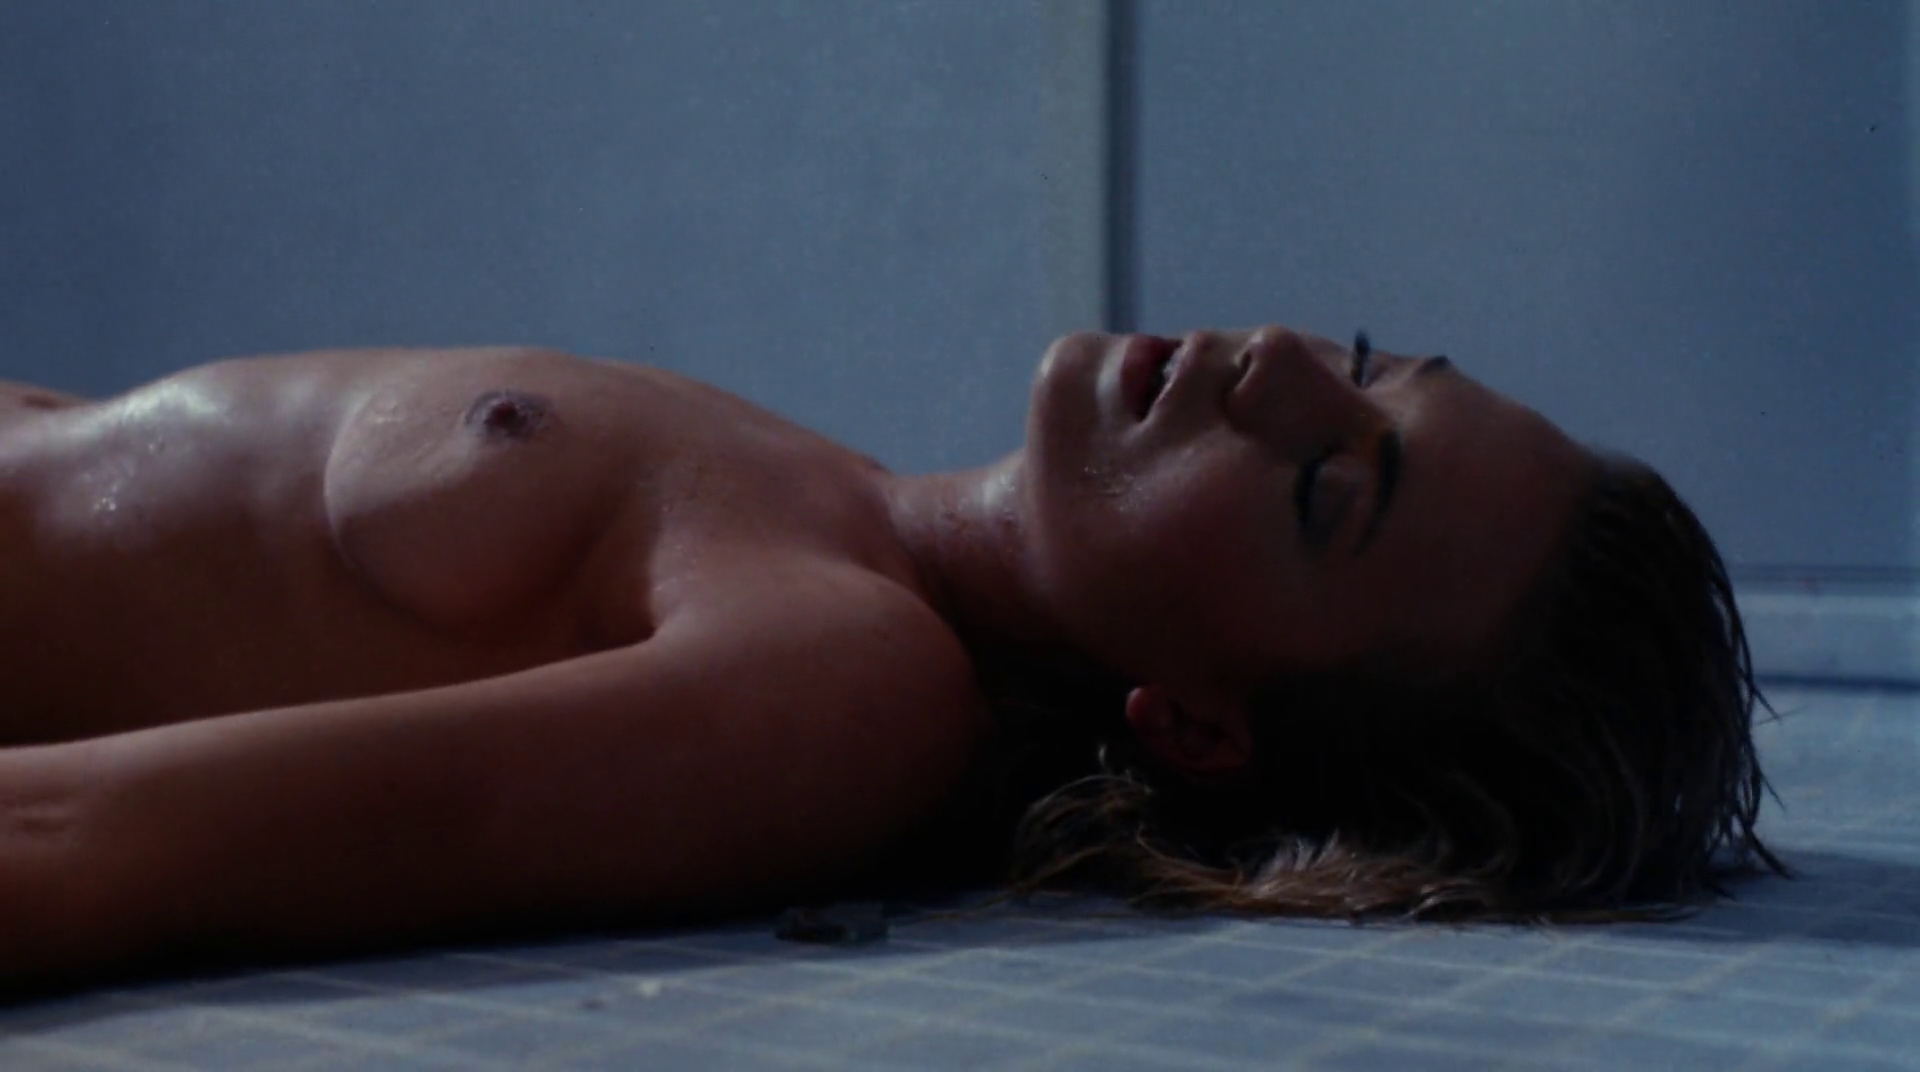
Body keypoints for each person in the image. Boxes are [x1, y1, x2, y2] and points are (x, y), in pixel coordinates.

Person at [0, 325, 1778, 992]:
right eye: (1371, 357)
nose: (1281, 363)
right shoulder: (825, 492)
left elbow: (84, 846)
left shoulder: (845, 681)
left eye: (1325, 488)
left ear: (1200, 724)